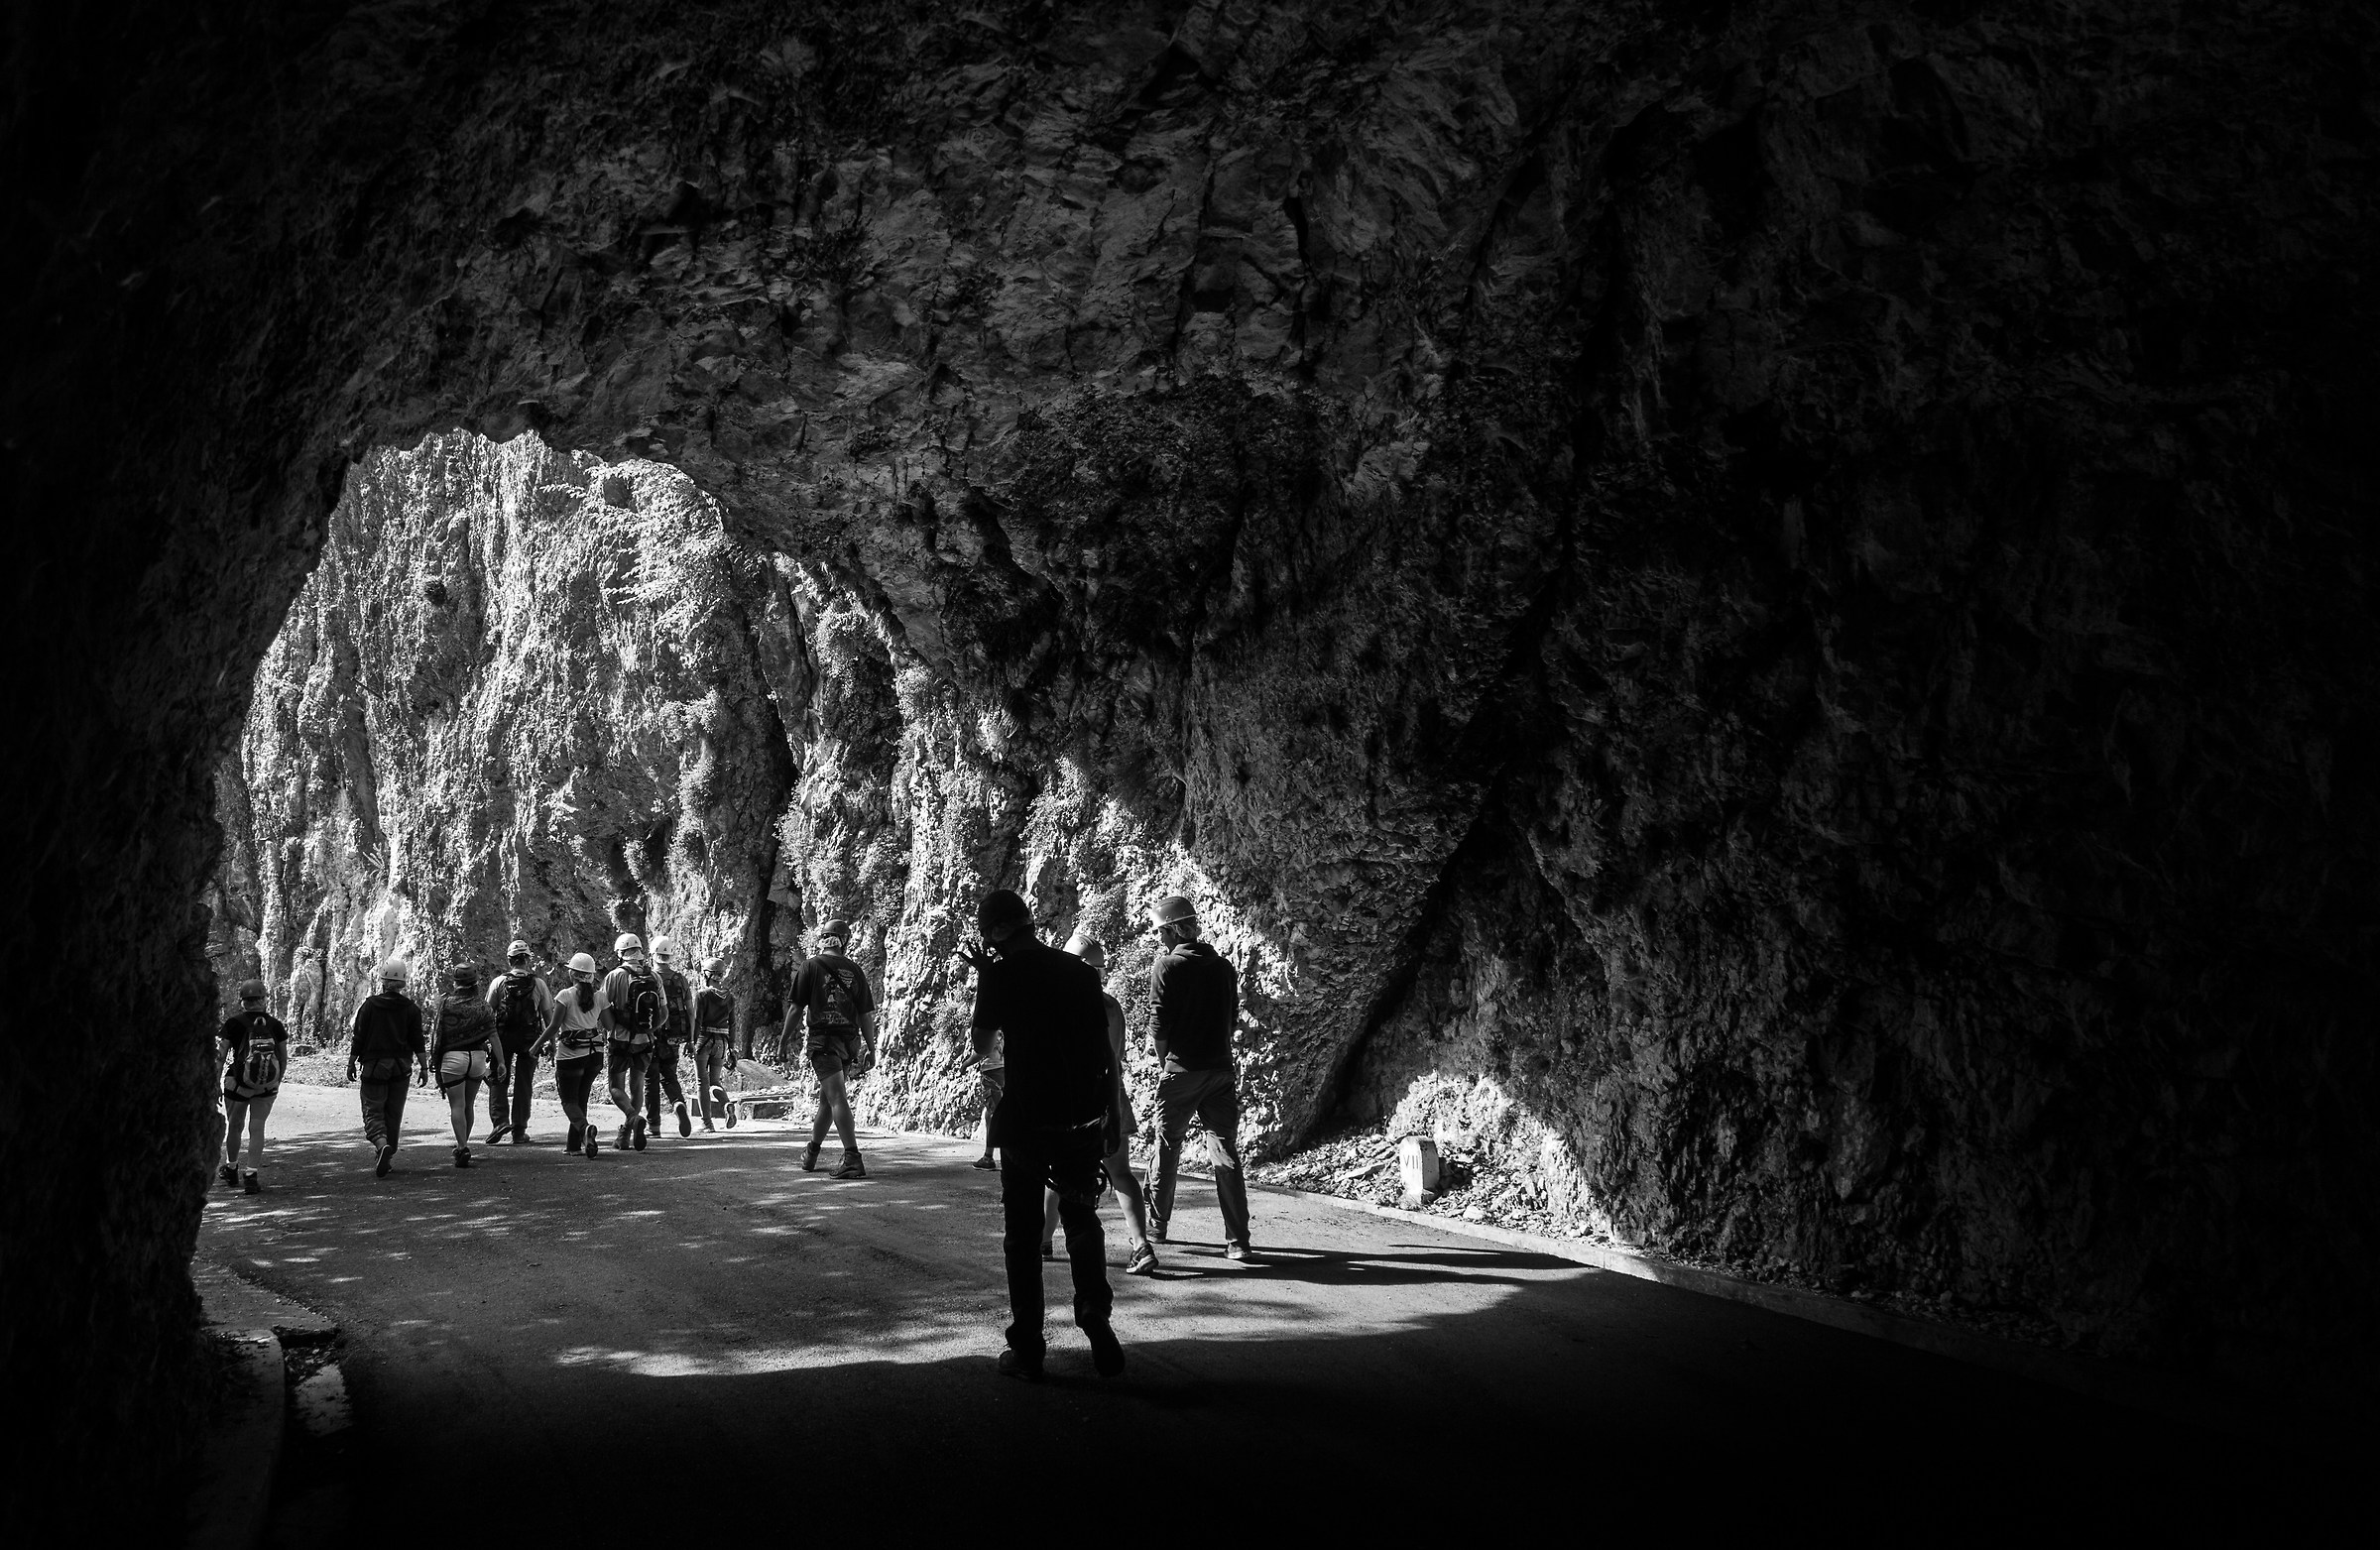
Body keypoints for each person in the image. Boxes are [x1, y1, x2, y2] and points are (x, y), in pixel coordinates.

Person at [964, 891, 1124, 1381]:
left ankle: (1029, 1345)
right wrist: (1112, 1113)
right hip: (1082, 1116)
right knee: (1081, 1216)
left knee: (1023, 1234)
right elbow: (1105, 1053)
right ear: (1029, 923)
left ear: (993, 934)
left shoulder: (1001, 976)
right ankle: (1093, 1307)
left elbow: (982, 1043)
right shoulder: (1079, 972)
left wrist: (988, 980)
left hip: (1028, 1119)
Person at [1144, 894, 1256, 1261]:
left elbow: (1159, 1027)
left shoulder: (1167, 967)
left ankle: (1157, 1227)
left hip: (1183, 1070)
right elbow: (1231, 1021)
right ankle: (1238, 1241)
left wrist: (1167, 1063)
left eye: (1162, 931)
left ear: (1175, 929)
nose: (1160, 938)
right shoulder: (1223, 966)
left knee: (1167, 1144)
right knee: (1225, 1153)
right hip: (1221, 1070)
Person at [1039, 936, 1158, 1274]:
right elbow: (1117, 1055)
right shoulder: (1112, 1005)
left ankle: (1044, 1240)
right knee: (1121, 1174)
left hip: (1073, 1104)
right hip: (1111, 1098)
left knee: (1058, 1176)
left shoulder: (1058, 1007)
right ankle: (1141, 1244)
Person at [782, 919, 877, 1178]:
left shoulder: (810, 966)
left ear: (823, 939)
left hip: (823, 1041)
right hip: (848, 1042)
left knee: (836, 1097)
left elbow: (795, 1009)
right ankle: (812, 1152)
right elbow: (865, 1015)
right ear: (844, 941)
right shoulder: (855, 970)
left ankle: (852, 1158)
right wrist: (871, 1047)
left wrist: (783, 1041)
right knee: (827, 1099)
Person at [347, 960, 427, 1177]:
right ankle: (387, 1157)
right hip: (401, 1067)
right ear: (402, 982)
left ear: (383, 980)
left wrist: (351, 1061)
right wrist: (424, 1067)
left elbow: (359, 1036)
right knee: (394, 1113)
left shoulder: (371, 1005)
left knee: (373, 1110)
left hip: (374, 1066)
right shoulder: (411, 1009)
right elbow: (418, 1041)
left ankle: (381, 1145)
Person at [215, 978, 288, 1195]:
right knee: (257, 1128)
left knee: (235, 1125)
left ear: (242, 1001)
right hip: (266, 1087)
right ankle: (251, 1175)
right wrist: (275, 1082)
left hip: (236, 1084)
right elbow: (282, 1058)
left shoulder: (233, 1023)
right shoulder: (275, 1025)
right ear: (263, 999)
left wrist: (215, 1083)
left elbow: (220, 1056)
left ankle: (231, 1167)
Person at [602, 933, 666, 1152]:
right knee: (637, 1086)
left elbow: (602, 1007)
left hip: (620, 1040)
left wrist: (612, 1028)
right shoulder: (654, 977)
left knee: (615, 1087)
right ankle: (625, 1135)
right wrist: (649, 1029)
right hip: (645, 1041)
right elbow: (663, 1012)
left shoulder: (615, 976)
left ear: (620, 953)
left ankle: (632, 1116)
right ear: (639, 951)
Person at [430, 965, 500, 1168]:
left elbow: (438, 1035)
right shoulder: (483, 1006)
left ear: (455, 983)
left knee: (457, 1106)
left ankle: (462, 1146)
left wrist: (434, 1062)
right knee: (469, 1105)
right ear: (476, 983)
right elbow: (493, 1035)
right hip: (478, 1058)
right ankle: (463, 1145)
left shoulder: (446, 1004)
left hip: (453, 1059)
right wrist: (501, 1062)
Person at [541, 952, 609, 1156]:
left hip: (571, 1056)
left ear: (573, 973)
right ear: (591, 975)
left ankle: (584, 1130)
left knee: (569, 1101)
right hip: (595, 1054)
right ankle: (574, 1145)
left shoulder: (565, 996)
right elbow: (609, 1025)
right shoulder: (600, 997)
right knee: (581, 1099)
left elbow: (554, 1026)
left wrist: (537, 1046)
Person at [484, 941, 550, 1144]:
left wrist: (485, 1040)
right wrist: (551, 1042)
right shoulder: (538, 984)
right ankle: (519, 1131)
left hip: (502, 1038)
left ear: (510, 960)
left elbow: (487, 1013)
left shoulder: (498, 982)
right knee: (524, 1084)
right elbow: (549, 1016)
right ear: (528, 959)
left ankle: (500, 1122)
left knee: (498, 1078)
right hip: (530, 1040)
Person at [644, 934, 695, 1138]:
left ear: (653, 955)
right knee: (669, 1075)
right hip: (674, 1036)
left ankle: (654, 1125)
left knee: (650, 1078)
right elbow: (690, 1010)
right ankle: (678, 1102)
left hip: (651, 1034)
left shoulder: (648, 978)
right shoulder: (680, 979)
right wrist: (691, 1039)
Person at [690, 956, 738, 1132]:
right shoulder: (729, 997)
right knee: (715, 1080)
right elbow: (732, 1024)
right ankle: (726, 1104)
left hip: (704, 1040)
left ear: (706, 974)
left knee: (702, 1082)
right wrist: (731, 1046)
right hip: (721, 1042)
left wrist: (692, 1042)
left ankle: (707, 1123)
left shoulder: (702, 995)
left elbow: (697, 1021)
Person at [971, 1025, 1004, 1171]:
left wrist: (965, 1065)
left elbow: (982, 1051)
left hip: (991, 1072)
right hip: (1005, 1071)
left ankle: (990, 1157)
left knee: (994, 1113)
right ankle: (989, 1156)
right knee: (992, 1113)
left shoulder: (992, 1030)